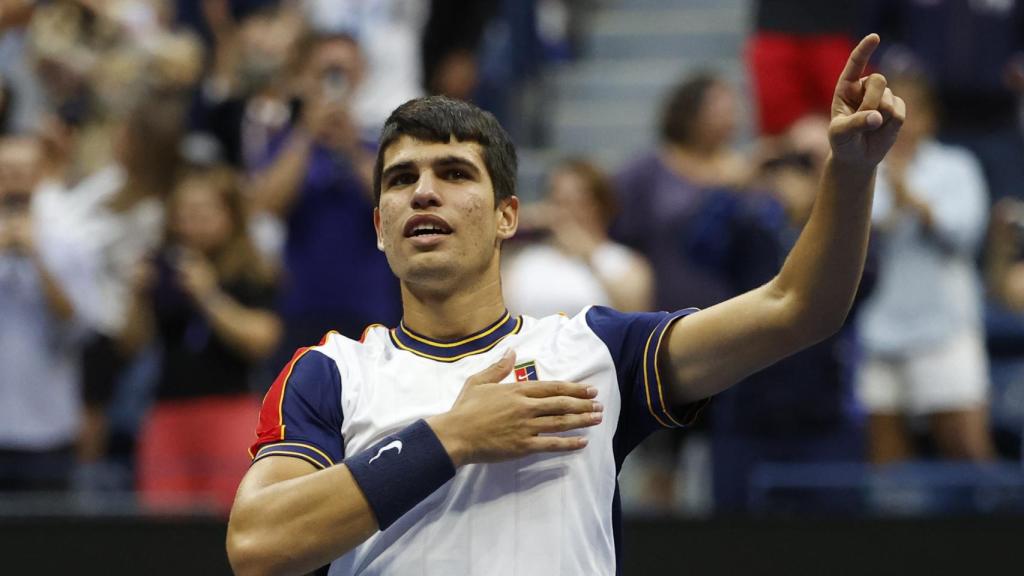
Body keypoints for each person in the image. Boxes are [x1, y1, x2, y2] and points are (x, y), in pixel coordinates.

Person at [227, 35, 904, 576]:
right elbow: (257, 546)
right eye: (402, 180)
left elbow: (798, 307)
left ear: (507, 217)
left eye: (455, 174)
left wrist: (849, 173)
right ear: (380, 225)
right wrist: (453, 436)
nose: (423, 193)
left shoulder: (595, 350)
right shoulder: (329, 373)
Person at [124, 167, 282, 513]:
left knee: (231, 521)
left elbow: (262, 340)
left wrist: (208, 295)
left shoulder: (250, 271)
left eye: (202, 213)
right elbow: (130, 343)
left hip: (229, 410)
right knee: (164, 528)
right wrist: (136, 297)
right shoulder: (161, 266)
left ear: (229, 216)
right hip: (168, 413)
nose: (190, 224)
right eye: (182, 214)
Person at [856, 72, 995, 463]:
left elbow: (963, 234)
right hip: (878, 328)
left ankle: (990, 523)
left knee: (965, 446)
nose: (902, 120)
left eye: (913, 111)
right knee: (885, 458)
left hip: (945, 327)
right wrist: (895, 200)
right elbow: (857, 235)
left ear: (931, 118)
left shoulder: (957, 167)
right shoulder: (862, 168)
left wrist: (911, 198)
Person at [0, 135, 88, 492]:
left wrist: (39, 259)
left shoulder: (69, 240)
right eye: (6, 171)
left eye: (25, 171)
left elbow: (78, 326)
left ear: (42, 176)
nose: (16, 180)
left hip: (46, 430)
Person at [504, 158, 653, 317]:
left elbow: (635, 316)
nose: (565, 210)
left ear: (599, 205)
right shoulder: (524, 262)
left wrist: (589, 253)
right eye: (556, 200)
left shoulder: (622, 263)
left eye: (575, 200)